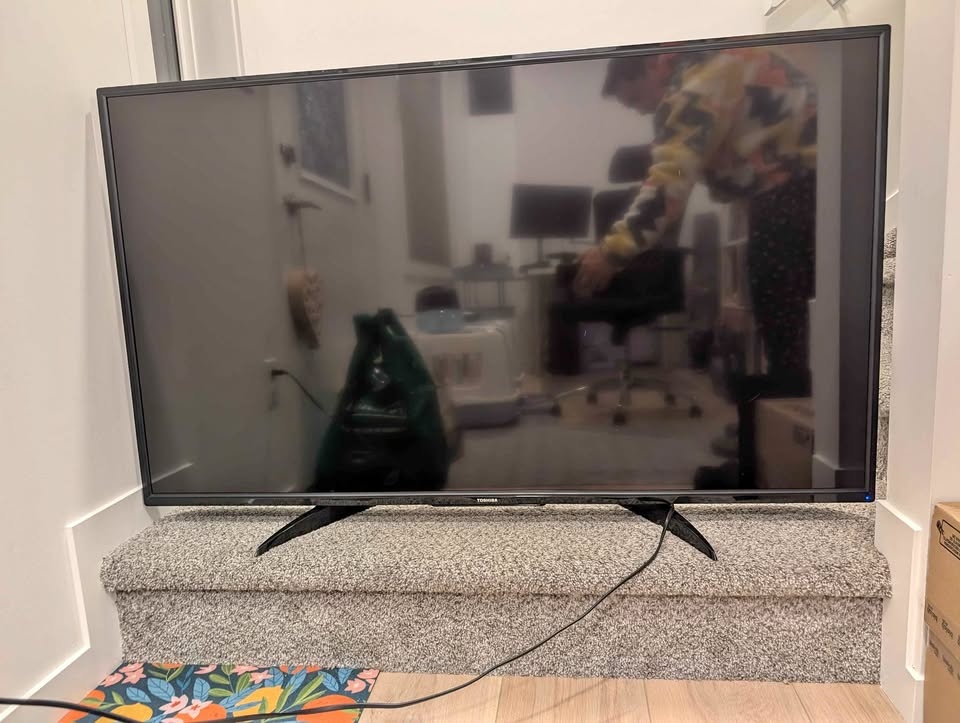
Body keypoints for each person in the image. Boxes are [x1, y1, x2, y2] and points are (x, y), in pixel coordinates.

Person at [575, 48, 817, 381]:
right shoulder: (709, 66)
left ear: (652, 65)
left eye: (635, 99)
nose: (640, 110)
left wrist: (611, 252)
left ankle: (788, 397)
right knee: (788, 291)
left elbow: (668, 184)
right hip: (809, 172)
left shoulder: (697, 86)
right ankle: (789, 394)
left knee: (777, 293)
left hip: (804, 177)